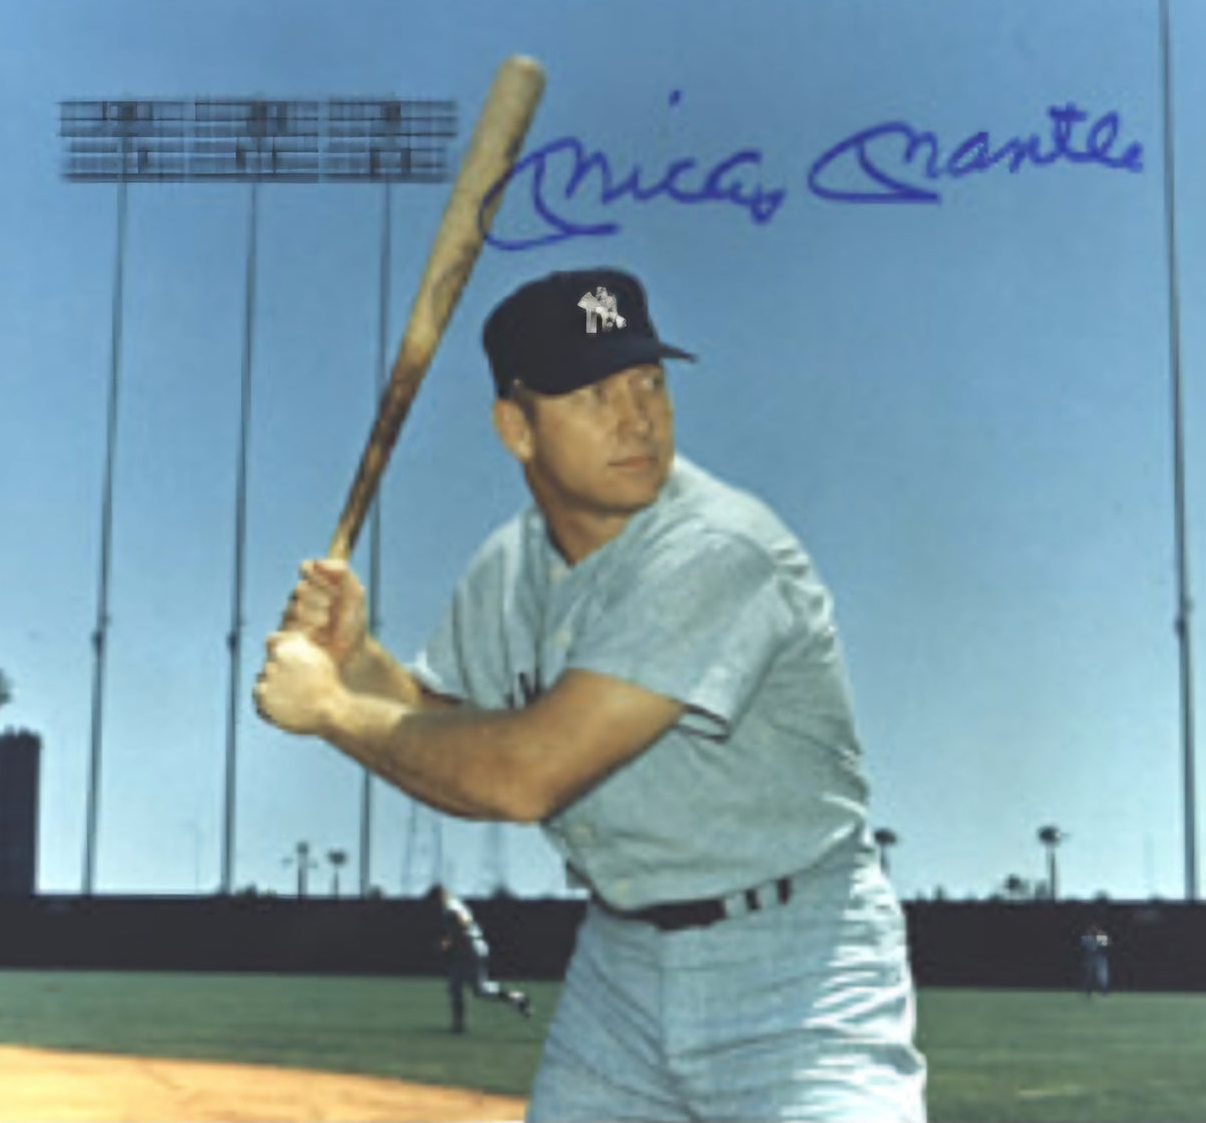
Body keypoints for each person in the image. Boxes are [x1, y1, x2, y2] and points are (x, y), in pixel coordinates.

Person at [255, 267, 927, 1121]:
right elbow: (450, 734)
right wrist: (359, 661)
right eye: (592, 393)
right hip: (618, 970)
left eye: (648, 381)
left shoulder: (717, 551)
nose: (636, 415)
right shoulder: (510, 565)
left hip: (797, 969)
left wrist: (333, 710)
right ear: (516, 428)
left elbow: (525, 772)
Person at [426, 883, 532, 1032]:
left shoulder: (452, 907)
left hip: (471, 951)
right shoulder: (453, 906)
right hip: (468, 951)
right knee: (458, 987)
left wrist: (447, 942)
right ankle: (459, 1025)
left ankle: (517, 998)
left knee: (479, 989)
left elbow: (463, 926)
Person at [1081, 922, 1111, 997]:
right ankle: (1088, 992)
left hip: (1100, 959)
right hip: (1090, 959)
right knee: (1089, 976)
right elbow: (1083, 947)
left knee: (1102, 977)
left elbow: (1107, 945)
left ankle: (1104, 992)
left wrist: (1103, 936)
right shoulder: (1086, 938)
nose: (1093, 930)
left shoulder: (1101, 937)